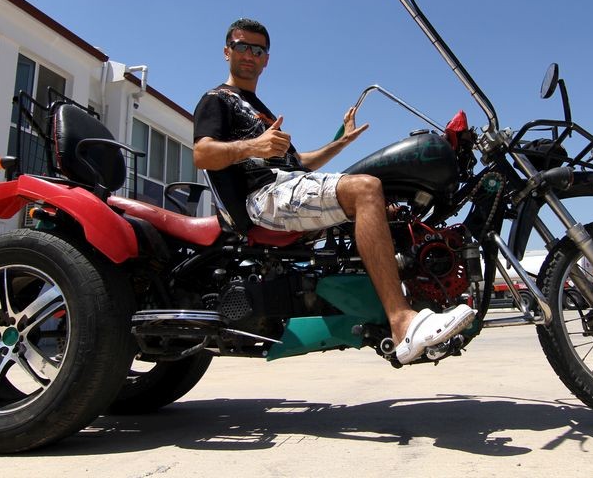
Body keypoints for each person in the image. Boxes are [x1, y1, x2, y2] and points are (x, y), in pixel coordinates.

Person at [192, 18, 475, 364]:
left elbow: (299, 163)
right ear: (227, 52)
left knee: (392, 209)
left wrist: (341, 142)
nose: (249, 54)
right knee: (366, 189)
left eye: (258, 49)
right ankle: (402, 322)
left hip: (288, 187)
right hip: (264, 198)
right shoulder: (218, 99)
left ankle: (413, 302)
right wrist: (254, 146)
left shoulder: (260, 110)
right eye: (242, 47)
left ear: (266, 59)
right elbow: (202, 153)